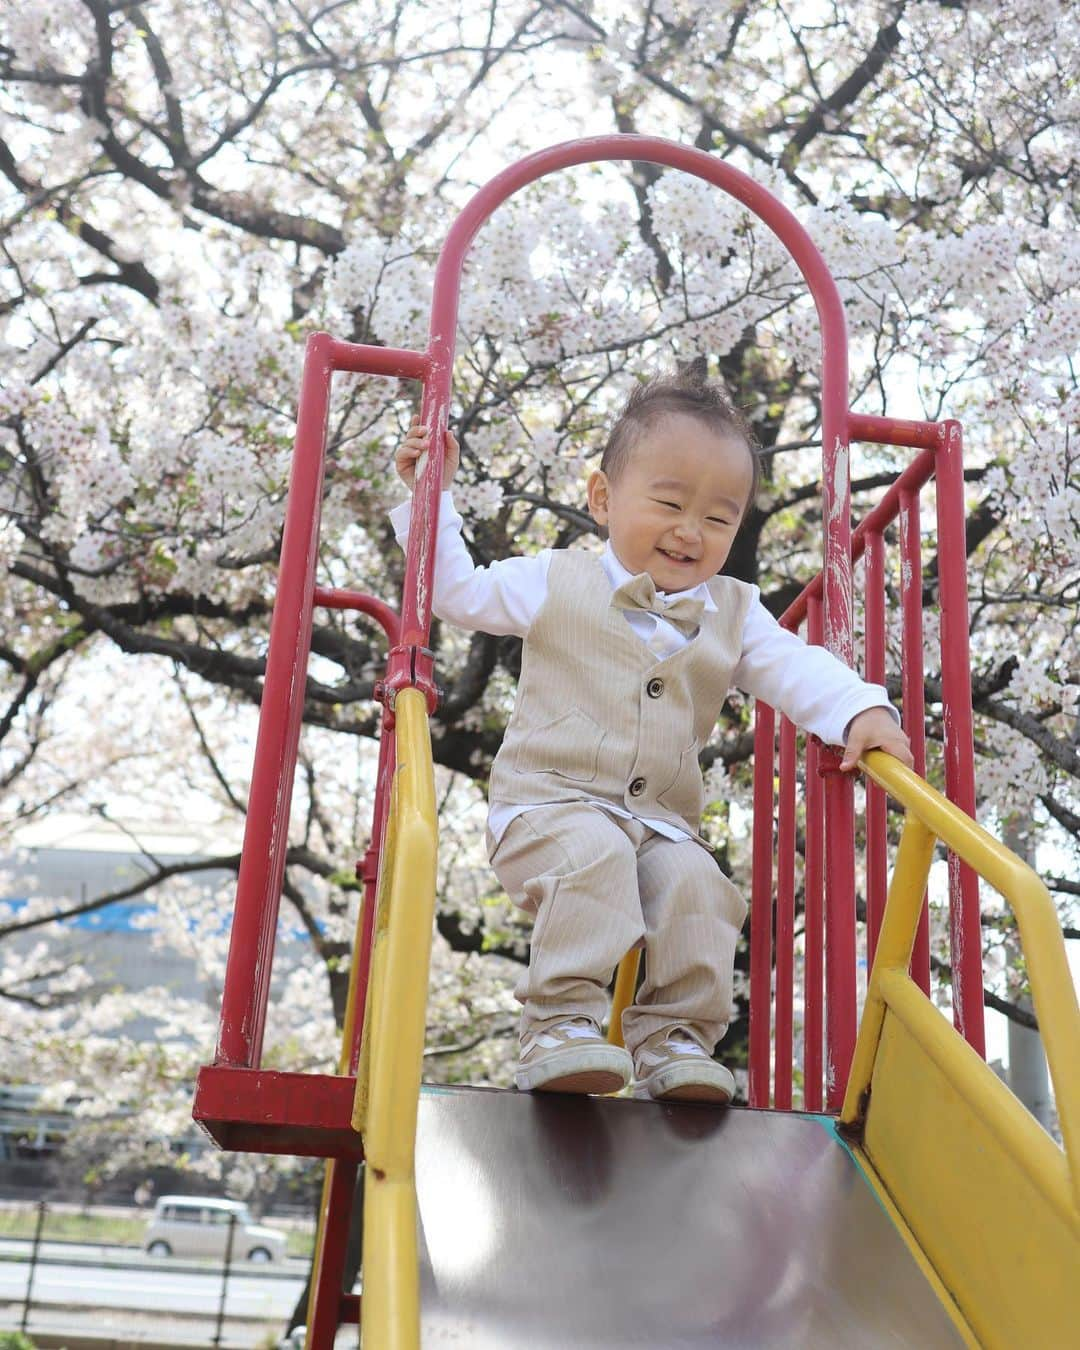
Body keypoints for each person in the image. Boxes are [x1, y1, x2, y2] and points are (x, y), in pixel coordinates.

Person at [391, 371, 912, 1105]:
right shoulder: (555, 579)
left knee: (702, 888)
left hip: (659, 825)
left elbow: (796, 669)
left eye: (720, 519)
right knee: (594, 854)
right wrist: (429, 497)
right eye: (669, 503)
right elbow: (456, 592)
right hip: (547, 807)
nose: (690, 531)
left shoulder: (734, 612)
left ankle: (675, 1038)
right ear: (603, 498)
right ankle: (560, 1023)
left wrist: (861, 711)